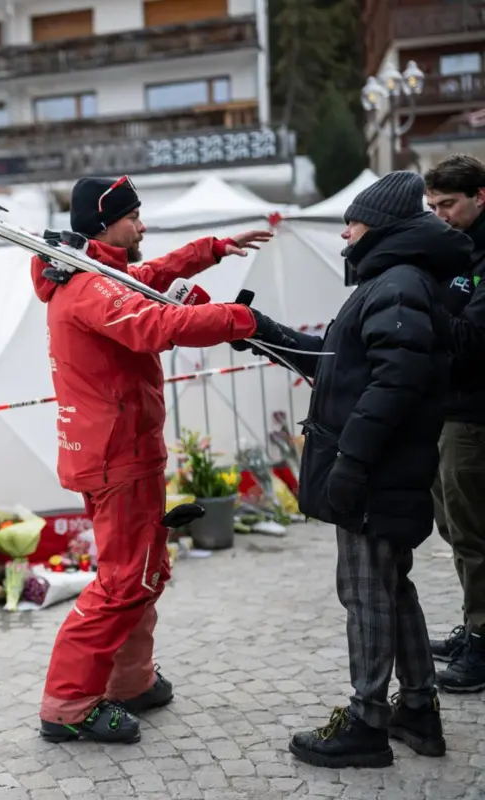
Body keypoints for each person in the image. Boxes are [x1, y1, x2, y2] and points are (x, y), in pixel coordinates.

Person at [239, 171, 471, 768]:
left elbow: (396, 384)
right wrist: (260, 332)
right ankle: (417, 708)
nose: (345, 233)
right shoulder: (394, 282)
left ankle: (367, 721)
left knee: (366, 593)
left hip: (378, 473)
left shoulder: (398, 284)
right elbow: (338, 367)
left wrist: (351, 461)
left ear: (382, 226)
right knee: (392, 590)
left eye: (353, 221)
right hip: (384, 469)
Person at [34, 174, 274, 744]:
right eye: (134, 216)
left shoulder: (97, 275)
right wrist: (240, 321)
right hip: (118, 454)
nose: (142, 226)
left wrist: (211, 251)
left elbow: (145, 279)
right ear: (104, 223)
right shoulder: (90, 289)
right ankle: (69, 704)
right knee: (123, 582)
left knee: (143, 572)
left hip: (121, 448)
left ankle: (130, 681)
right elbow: (154, 323)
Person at [423, 153, 485, 693]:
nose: (439, 215)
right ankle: (475, 626)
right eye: (432, 206)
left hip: (474, 413)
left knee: (474, 532)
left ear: (480, 197)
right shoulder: (456, 251)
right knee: (455, 529)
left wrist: (426, 309)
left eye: (449, 204)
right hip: (449, 408)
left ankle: (484, 641)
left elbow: (469, 339)